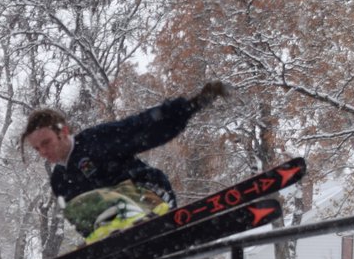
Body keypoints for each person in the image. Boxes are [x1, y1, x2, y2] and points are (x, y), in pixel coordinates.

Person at [21, 81, 229, 244]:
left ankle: (133, 223)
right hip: (118, 220)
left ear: (63, 131)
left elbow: (142, 126)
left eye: (46, 142)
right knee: (77, 208)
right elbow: (80, 220)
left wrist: (193, 104)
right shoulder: (59, 180)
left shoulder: (94, 141)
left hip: (151, 194)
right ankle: (115, 246)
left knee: (93, 200)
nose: (43, 152)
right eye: (37, 148)